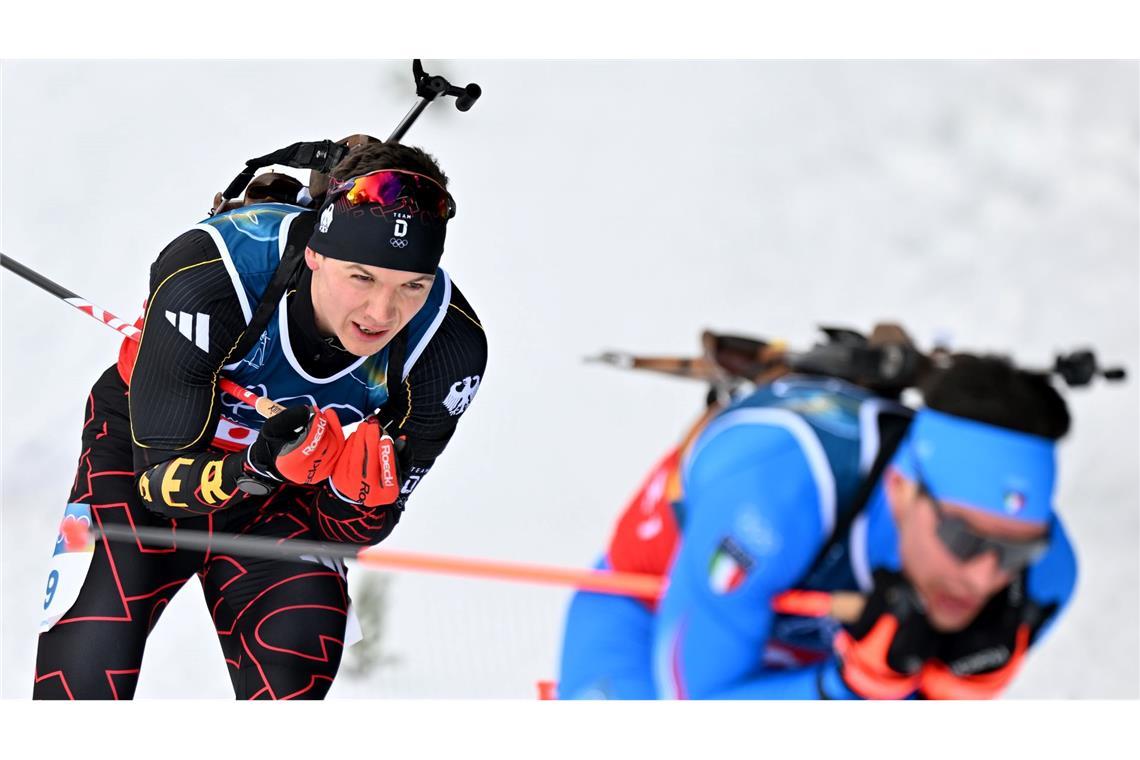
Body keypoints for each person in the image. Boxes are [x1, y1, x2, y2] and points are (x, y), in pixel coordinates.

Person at [33, 141, 487, 700]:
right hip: (141, 465)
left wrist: (356, 500)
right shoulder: (214, 273)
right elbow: (157, 482)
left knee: (297, 662)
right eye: (362, 278)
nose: (381, 314)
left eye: (411, 286)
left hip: (283, 503)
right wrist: (257, 463)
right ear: (317, 253)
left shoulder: (446, 348)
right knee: (85, 665)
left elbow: (355, 533)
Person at [557, 353, 1076, 699]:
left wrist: (944, 692)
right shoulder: (772, 500)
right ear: (901, 488)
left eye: (1014, 553)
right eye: (963, 539)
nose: (985, 578)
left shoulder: (1048, 574)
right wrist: (849, 688)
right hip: (651, 619)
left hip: (813, 654)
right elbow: (691, 709)